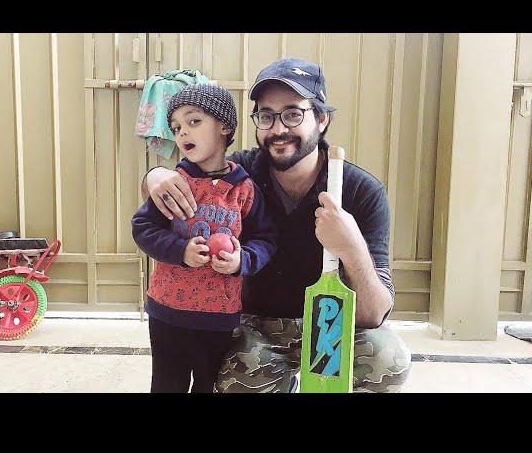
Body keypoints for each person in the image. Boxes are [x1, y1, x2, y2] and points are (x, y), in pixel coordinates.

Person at [141, 58, 412, 393]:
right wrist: (155, 176)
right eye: (266, 116)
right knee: (223, 375)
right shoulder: (237, 175)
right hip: (256, 324)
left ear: (322, 118)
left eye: (293, 114)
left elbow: (374, 313)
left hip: (330, 323)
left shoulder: (359, 191)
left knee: (387, 361)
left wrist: (351, 246)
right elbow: (181, 183)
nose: (279, 128)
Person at [132, 83, 277, 393]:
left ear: (224, 126)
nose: (183, 132)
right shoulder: (174, 183)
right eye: (176, 127)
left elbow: (265, 240)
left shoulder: (245, 190)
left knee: (209, 386)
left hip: (218, 316)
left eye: (194, 121)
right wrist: (180, 250)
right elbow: (143, 227)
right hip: (167, 312)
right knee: (167, 385)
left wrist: (242, 260)